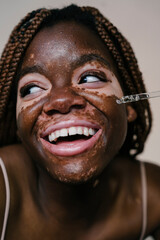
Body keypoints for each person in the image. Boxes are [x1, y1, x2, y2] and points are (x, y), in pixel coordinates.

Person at [0, 4, 160, 240]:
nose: (61, 101)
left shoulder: (151, 196)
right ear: (16, 121)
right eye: (32, 88)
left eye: (90, 77)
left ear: (129, 105)